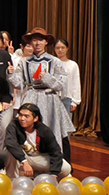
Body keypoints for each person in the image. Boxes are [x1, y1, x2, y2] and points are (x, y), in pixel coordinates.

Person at [10, 27, 75, 165]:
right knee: (29, 129)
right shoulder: (24, 62)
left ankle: (55, 163)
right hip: (31, 97)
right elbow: (18, 83)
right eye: (35, 40)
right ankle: (30, 161)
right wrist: (10, 74)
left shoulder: (54, 61)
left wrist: (46, 77)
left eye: (41, 40)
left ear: (46, 42)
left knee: (51, 130)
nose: (37, 43)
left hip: (49, 98)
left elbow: (61, 85)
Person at [3, 104, 71, 178]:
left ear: (35, 118)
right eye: (20, 115)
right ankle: (12, 179)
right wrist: (24, 161)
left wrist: (54, 174)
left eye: (26, 116)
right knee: (9, 151)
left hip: (38, 157)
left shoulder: (44, 131)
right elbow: (10, 143)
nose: (22, 118)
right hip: (22, 157)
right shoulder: (14, 125)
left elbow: (56, 152)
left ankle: (37, 174)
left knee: (66, 168)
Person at [52, 39, 80, 115]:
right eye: (57, 48)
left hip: (67, 98)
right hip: (52, 97)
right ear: (54, 49)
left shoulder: (73, 65)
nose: (60, 50)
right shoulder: (51, 63)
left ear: (67, 48)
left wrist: (75, 102)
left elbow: (76, 83)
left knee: (66, 121)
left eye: (62, 47)